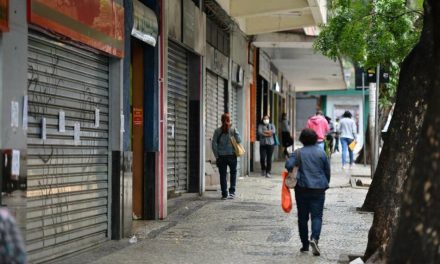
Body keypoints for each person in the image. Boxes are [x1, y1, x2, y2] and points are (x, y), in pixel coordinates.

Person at [285, 128, 330, 256]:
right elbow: (327, 171)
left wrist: (292, 162)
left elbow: (288, 166)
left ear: (302, 140)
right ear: (315, 139)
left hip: (302, 189)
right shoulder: (321, 153)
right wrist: (325, 184)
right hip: (319, 189)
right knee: (317, 216)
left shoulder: (298, 152)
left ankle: (305, 245)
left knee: (302, 218)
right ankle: (315, 239)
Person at [212, 113, 241, 200]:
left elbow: (214, 144)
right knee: (233, 173)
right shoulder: (233, 130)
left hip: (221, 157)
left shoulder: (217, 131)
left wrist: (217, 156)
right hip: (232, 155)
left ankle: (224, 194)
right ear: (229, 120)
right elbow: (239, 140)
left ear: (221, 120)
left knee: (223, 175)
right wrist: (235, 132)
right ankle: (232, 192)